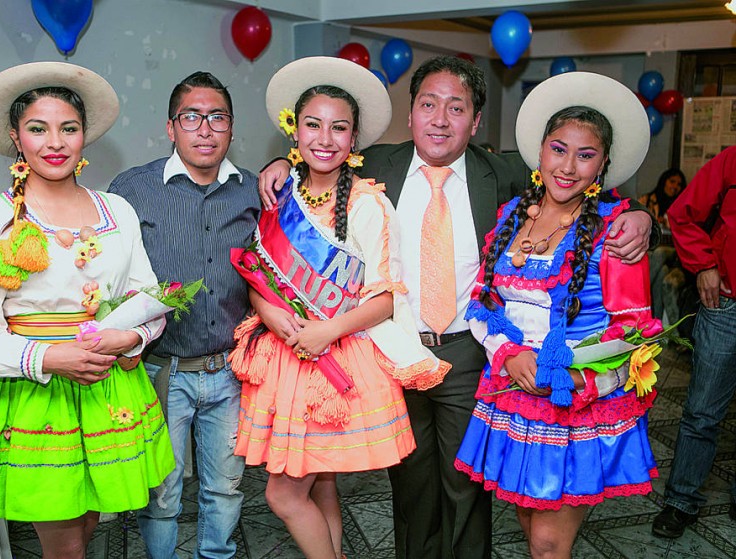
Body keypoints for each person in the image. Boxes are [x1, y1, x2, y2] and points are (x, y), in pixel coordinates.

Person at [259, 56, 655, 559]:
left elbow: (586, 187)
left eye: (456, 107)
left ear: (474, 120)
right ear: (411, 115)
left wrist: (643, 219)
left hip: (473, 353)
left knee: (468, 488)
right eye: (428, 104)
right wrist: (277, 164)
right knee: (410, 485)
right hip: (394, 352)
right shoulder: (375, 165)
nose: (440, 119)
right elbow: (315, 161)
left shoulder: (510, 172)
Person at [0, 62, 174, 558]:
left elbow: (148, 297)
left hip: (109, 386)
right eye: (37, 128)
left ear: (84, 136)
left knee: (89, 525)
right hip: (37, 396)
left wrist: (129, 338)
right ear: (15, 138)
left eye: (68, 128)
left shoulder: (119, 212)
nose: (55, 142)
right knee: (63, 543)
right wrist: (49, 357)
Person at [231, 55, 449, 559]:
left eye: (339, 128)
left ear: (353, 140)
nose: (324, 138)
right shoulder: (281, 195)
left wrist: (323, 333)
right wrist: (267, 313)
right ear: (295, 131)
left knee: (282, 495)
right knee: (319, 484)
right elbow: (258, 271)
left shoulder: (369, 204)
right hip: (286, 353)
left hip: (332, 355)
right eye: (313, 125)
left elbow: (384, 298)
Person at [454, 71, 658, 558]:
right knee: (529, 524)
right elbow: (482, 299)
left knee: (549, 542)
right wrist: (507, 354)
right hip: (513, 393)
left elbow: (635, 331)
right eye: (558, 149)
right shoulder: (510, 217)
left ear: (603, 163)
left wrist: (580, 382)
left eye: (585, 155)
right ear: (540, 152)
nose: (568, 166)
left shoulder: (617, 232)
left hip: (576, 404)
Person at [108, 71, 260, 559]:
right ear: (170, 127)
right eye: (191, 117)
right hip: (160, 371)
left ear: (232, 128)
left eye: (217, 117)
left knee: (226, 488)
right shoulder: (132, 189)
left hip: (231, 370)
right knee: (162, 493)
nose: (205, 129)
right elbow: (108, 274)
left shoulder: (254, 191)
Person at [652, 145, 736, 539]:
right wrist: (704, 264)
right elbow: (682, 213)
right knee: (703, 411)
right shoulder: (732, 159)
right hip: (726, 304)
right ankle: (681, 500)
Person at [639, 168, 688, 320]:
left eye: (679, 184)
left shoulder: (683, 205)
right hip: (649, 249)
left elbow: (689, 235)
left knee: (659, 254)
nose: (675, 186)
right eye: (672, 181)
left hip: (673, 250)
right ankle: (655, 326)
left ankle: (639, 294)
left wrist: (674, 225)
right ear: (664, 181)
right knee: (661, 273)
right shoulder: (646, 200)